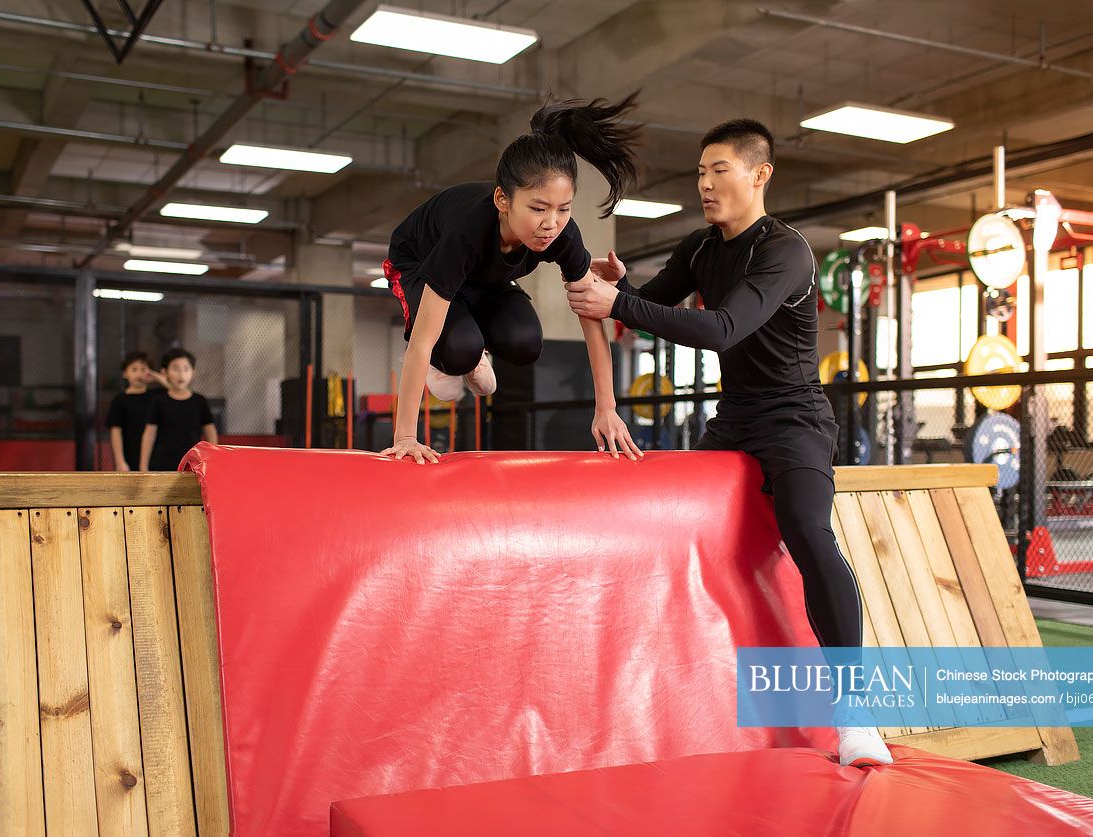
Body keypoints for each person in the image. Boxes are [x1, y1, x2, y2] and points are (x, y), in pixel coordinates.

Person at [565, 118, 893, 768]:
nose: (704, 184)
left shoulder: (786, 251)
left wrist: (618, 304)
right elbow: (641, 306)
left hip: (795, 418)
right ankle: (678, 694)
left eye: (719, 170)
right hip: (734, 416)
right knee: (674, 527)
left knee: (805, 530)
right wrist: (618, 287)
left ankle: (855, 711)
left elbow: (720, 329)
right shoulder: (700, 245)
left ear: (758, 174)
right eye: (699, 172)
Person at [382, 95, 644, 465]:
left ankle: (472, 352)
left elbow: (591, 315)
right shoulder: (466, 232)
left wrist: (607, 408)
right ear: (503, 199)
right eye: (538, 208)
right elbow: (423, 339)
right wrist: (406, 436)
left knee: (525, 342)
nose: (551, 223)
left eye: (563, 209)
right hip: (418, 261)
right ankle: (455, 359)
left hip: (485, 278)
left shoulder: (563, 236)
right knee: (456, 348)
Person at [139, 348, 217, 471]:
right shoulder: (158, 400)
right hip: (162, 464)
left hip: (193, 464)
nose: (181, 374)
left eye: (186, 369)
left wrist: (213, 459)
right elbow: (149, 434)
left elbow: (210, 431)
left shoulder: (199, 401)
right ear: (165, 372)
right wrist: (143, 466)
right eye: (175, 368)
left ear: (193, 372)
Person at [106, 350, 168, 471]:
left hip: (157, 457)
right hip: (130, 455)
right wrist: (120, 461)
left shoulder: (157, 396)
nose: (139, 374)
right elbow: (115, 432)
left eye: (143, 370)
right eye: (134, 369)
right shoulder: (120, 399)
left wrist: (156, 377)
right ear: (125, 373)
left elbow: (176, 389)